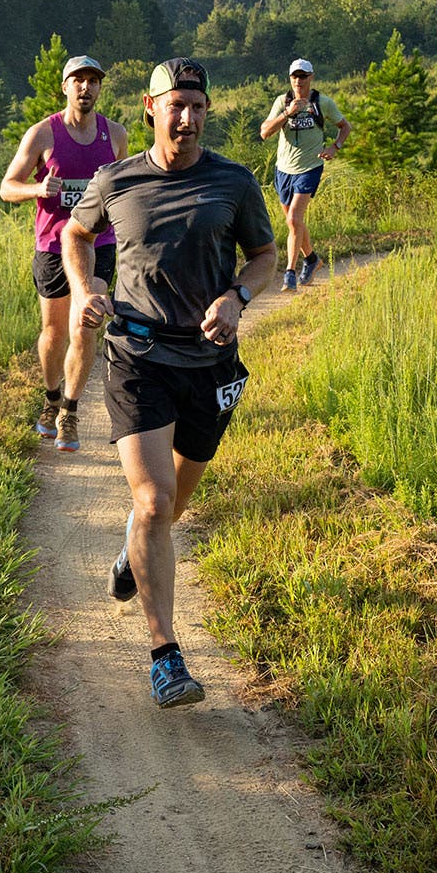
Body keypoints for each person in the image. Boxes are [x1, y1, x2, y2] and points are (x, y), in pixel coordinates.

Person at [65, 58, 277, 709]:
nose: (187, 118)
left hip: (209, 363)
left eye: (198, 107)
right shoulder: (116, 180)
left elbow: (264, 256)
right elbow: (77, 232)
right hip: (139, 355)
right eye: (175, 105)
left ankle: (136, 550)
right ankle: (165, 656)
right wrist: (83, 288)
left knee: (172, 504)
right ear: (151, 109)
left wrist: (239, 296)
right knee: (156, 503)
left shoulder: (234, 183)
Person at [0, 53, 130, 452]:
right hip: (53, 247)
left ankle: (70, 413)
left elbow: (126, 190)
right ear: (65, 87)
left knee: (85, 324)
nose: (86, 87)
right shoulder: (43, 134)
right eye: (78, 80)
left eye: (93, 81)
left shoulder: (116, 135)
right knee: (54, 333)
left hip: (98, 244)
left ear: (99, 88)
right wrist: (37, 190)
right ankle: (51, 398)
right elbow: (7, 187)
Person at [256, 58, 346, 291]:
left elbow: (344, 127)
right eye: (295, 76)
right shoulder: (281, 102)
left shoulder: (323, 103)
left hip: (310, 167)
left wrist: (334, 148)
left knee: (294, 219)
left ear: (311, 77)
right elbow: (265, 132)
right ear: (290, 79)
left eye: (303, 76)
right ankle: (312, 259)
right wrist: (287, 113)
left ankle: (289, 273)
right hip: (284, 169)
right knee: (293, 222)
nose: (298, 80)